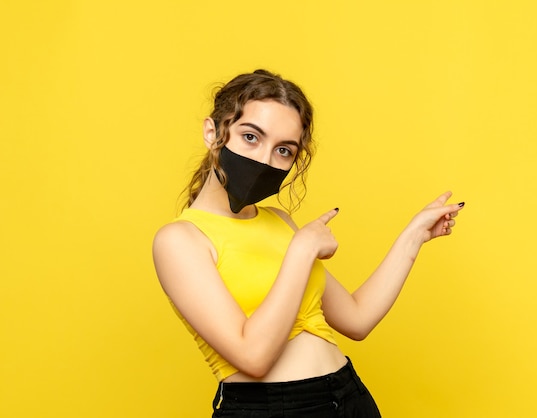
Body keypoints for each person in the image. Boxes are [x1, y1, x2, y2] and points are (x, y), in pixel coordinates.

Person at [152, 69, 464, 417]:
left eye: (283, 150)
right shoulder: (180, 240)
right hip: (273, 410)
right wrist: (301, 251)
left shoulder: (279, 222)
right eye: (251, 137)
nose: (264, 160)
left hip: (349, 396)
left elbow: (357, 319)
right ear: (213, 133)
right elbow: (252, 356)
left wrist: (414, 236)